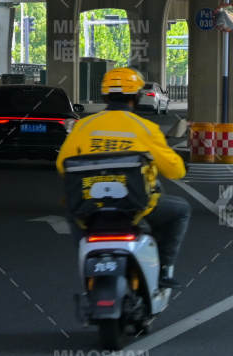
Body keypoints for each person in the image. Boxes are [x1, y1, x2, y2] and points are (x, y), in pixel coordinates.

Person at [56, 67, 190, 289]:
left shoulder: (83, 126)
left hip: (90, 206)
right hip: (136, 206)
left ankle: (89, 260)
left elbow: (62, 164)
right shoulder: (146, 128)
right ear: (136, 97)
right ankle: (164, 270)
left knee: (73, 212)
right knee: (180, 210)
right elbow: (175, 171)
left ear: (105, 96)